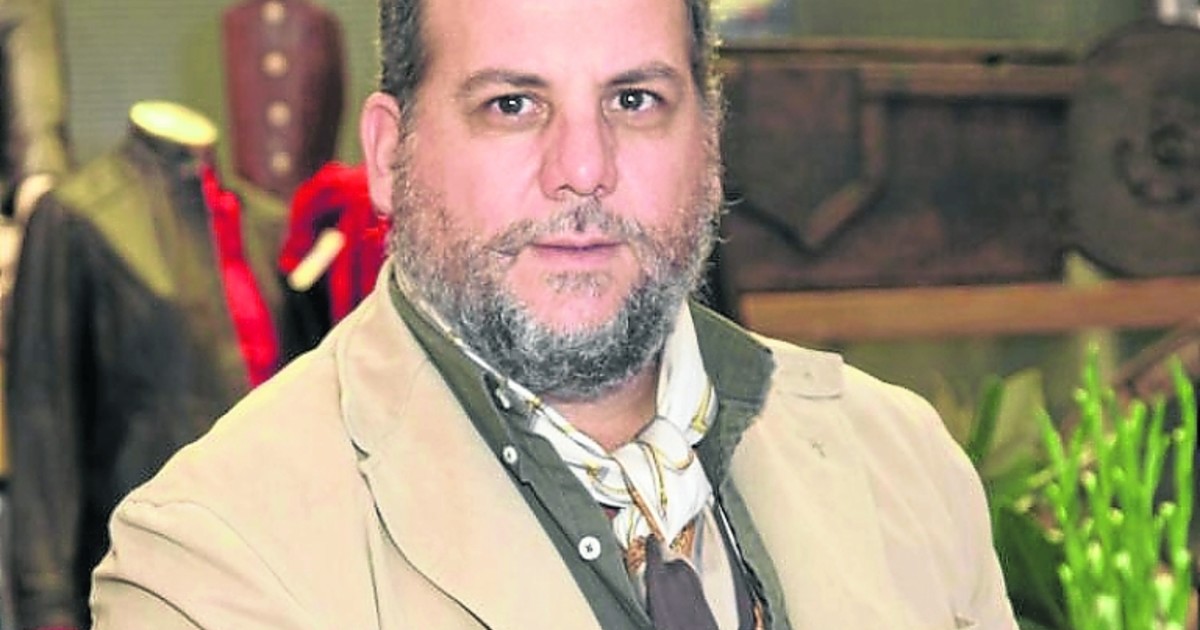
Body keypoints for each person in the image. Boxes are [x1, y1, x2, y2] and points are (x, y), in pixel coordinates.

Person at [89, 0, 1019, 628]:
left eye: (634, 99)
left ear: (708, 142)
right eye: (512, 104)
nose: (583, 168)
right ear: (388, 156)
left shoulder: (907, 469)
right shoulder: (210, 560)